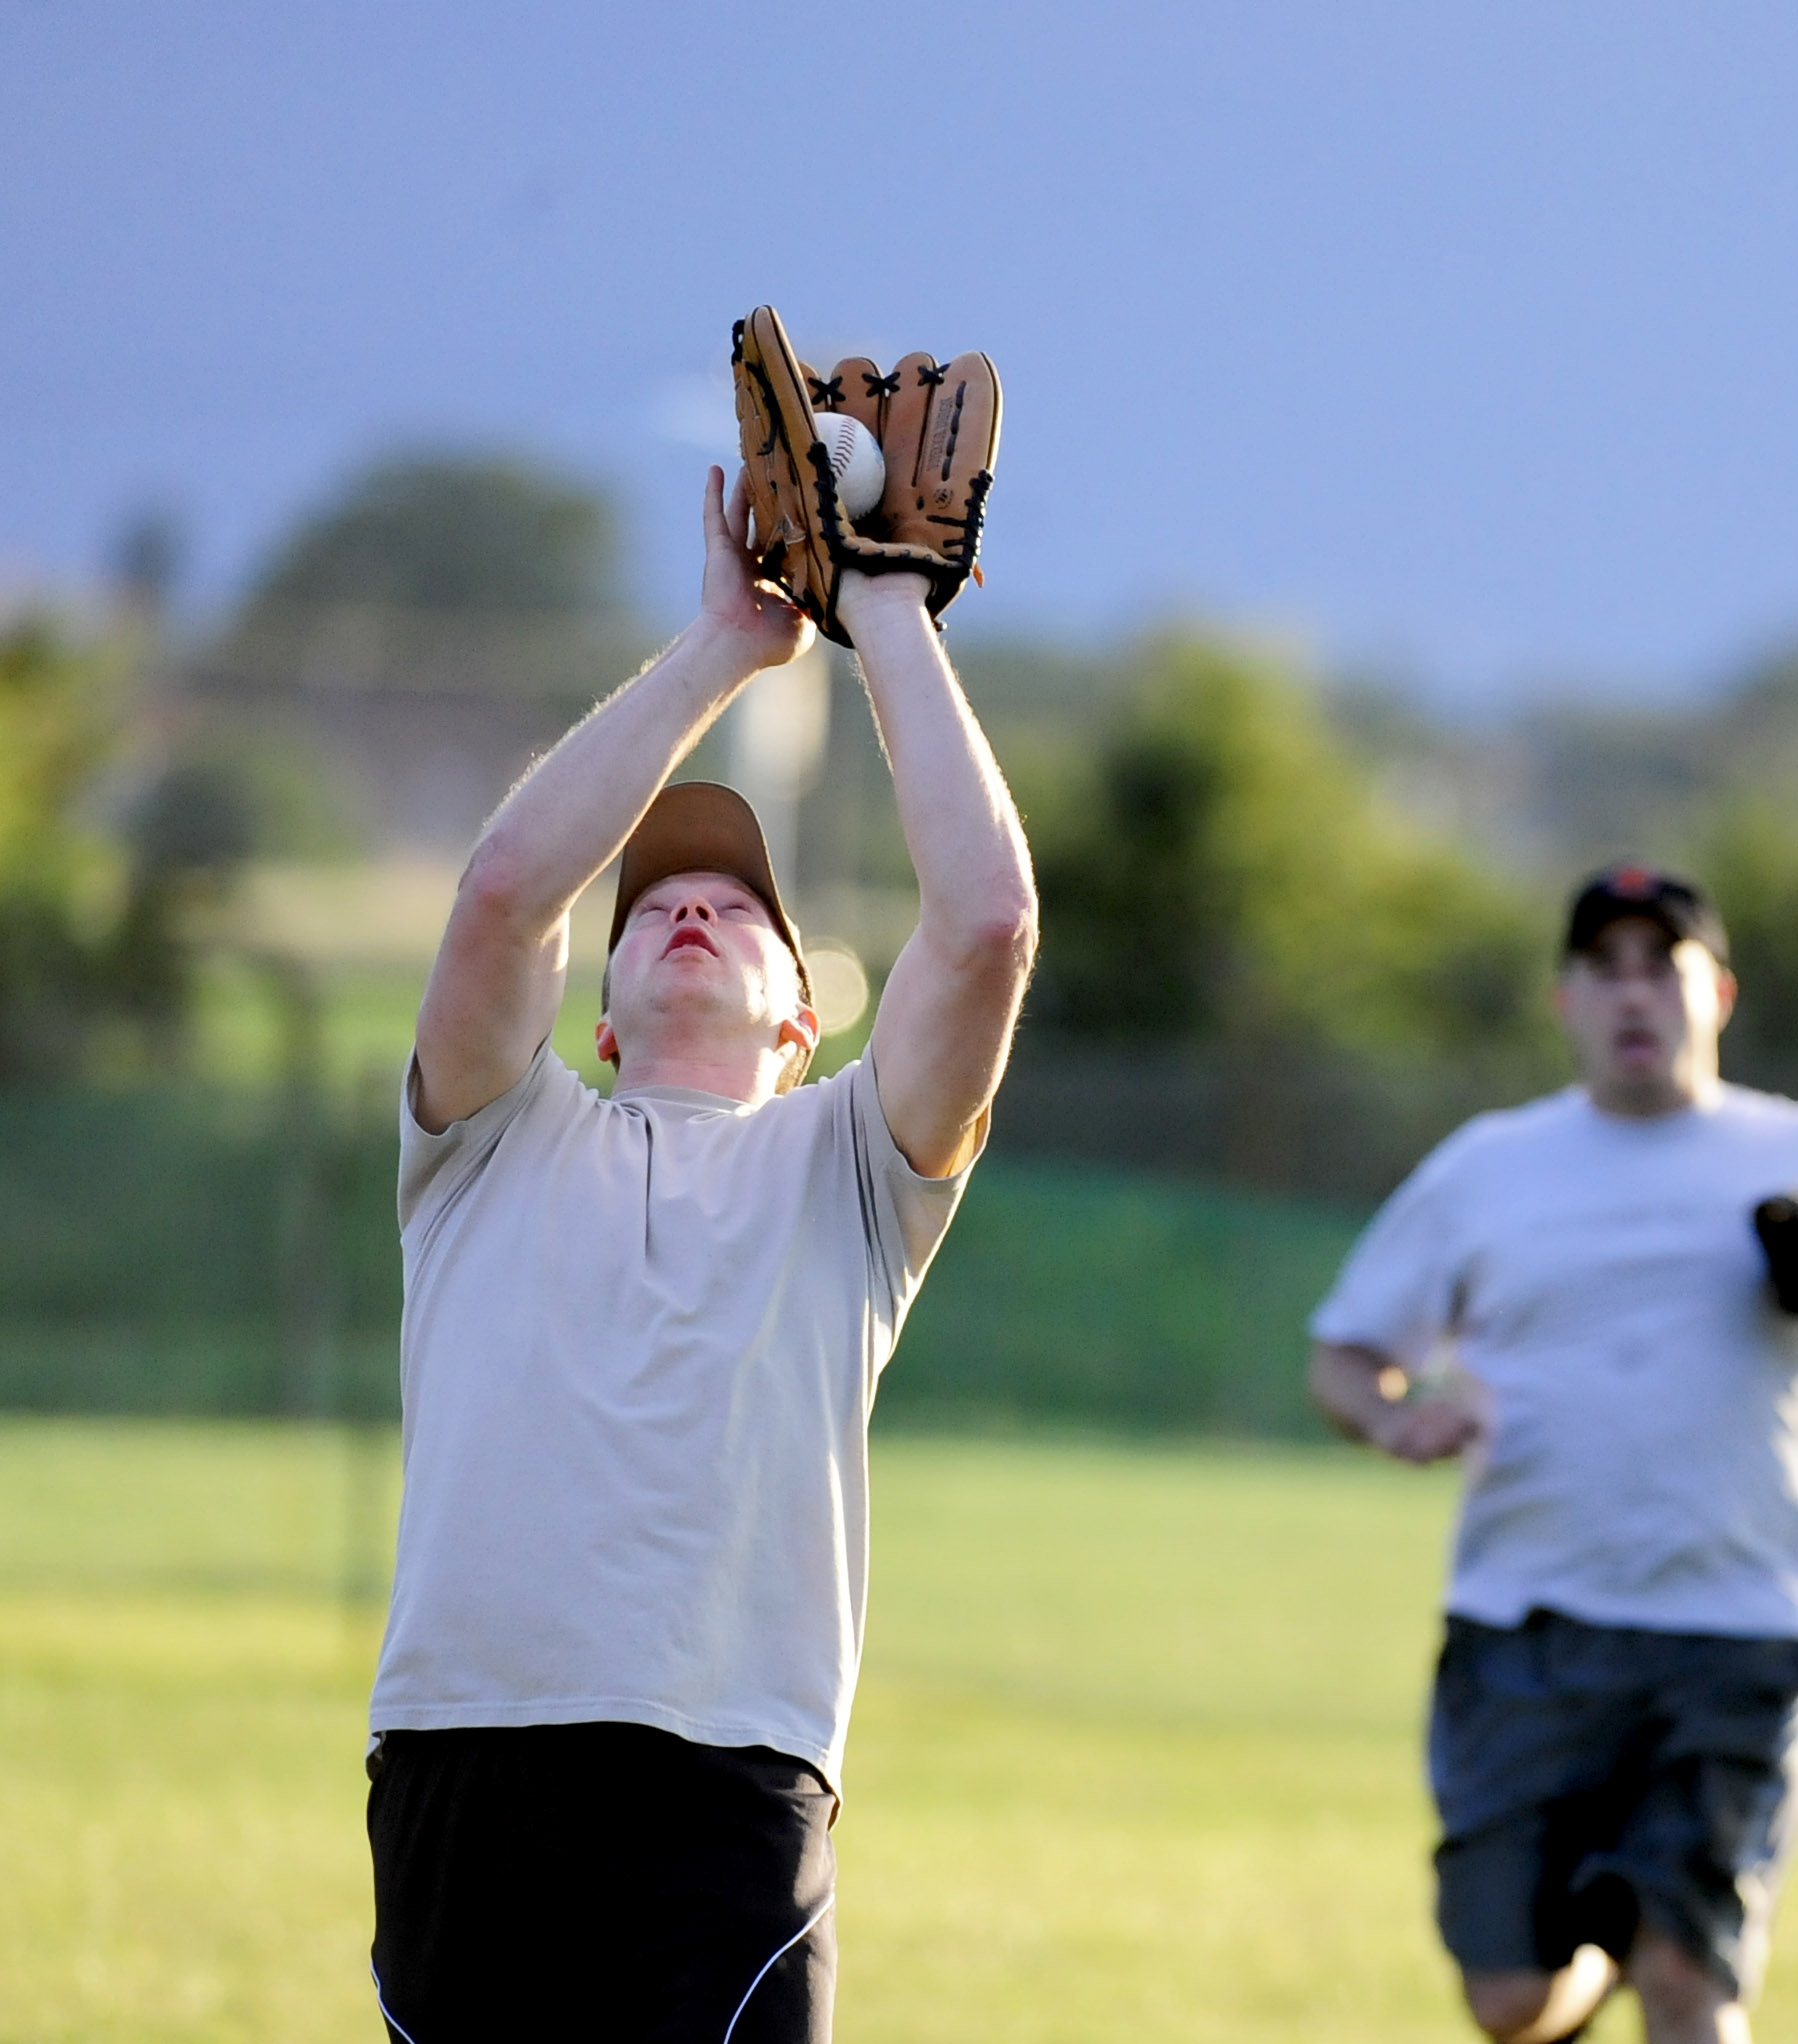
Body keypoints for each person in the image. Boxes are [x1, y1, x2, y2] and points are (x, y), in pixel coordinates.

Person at [363, 465, 1036, 2042]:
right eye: (657, 901)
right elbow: (505, 891)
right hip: (471, 1753)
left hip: (729, 1773)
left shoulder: (853, 1169)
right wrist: (728, 645)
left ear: (806, 1022)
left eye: (742, 909)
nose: (691, 909)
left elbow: (989, 921)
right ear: (593, 1020)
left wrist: (884, 611)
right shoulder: (494, 1137)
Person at [1308, 864, 1798, 2044]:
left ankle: (1651, 1951)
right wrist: (1393, 1417)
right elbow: (1345, 1353)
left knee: (1693, 1981)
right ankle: (1597, 1964)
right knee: (1510, 2001)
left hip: (1740, 1619)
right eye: (1605, 967)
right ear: (1564, 1000)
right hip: (1527, 1623)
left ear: (1716, 994)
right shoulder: (1491, 1165)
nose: (1634, 993)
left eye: (1662, 965)